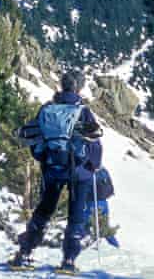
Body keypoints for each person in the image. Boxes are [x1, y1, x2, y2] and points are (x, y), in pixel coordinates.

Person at [9, 71, 103, 274]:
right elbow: (95, 144)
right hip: (79, 171)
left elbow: (35, 139)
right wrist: (92, 165)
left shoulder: (47, 109)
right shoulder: (83, 111)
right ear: (79, 88)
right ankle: (69, 259)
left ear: (61, 86)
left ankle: (25, 253)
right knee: (76, 214)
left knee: (44, 210)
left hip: (52, 168)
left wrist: (44, 159)